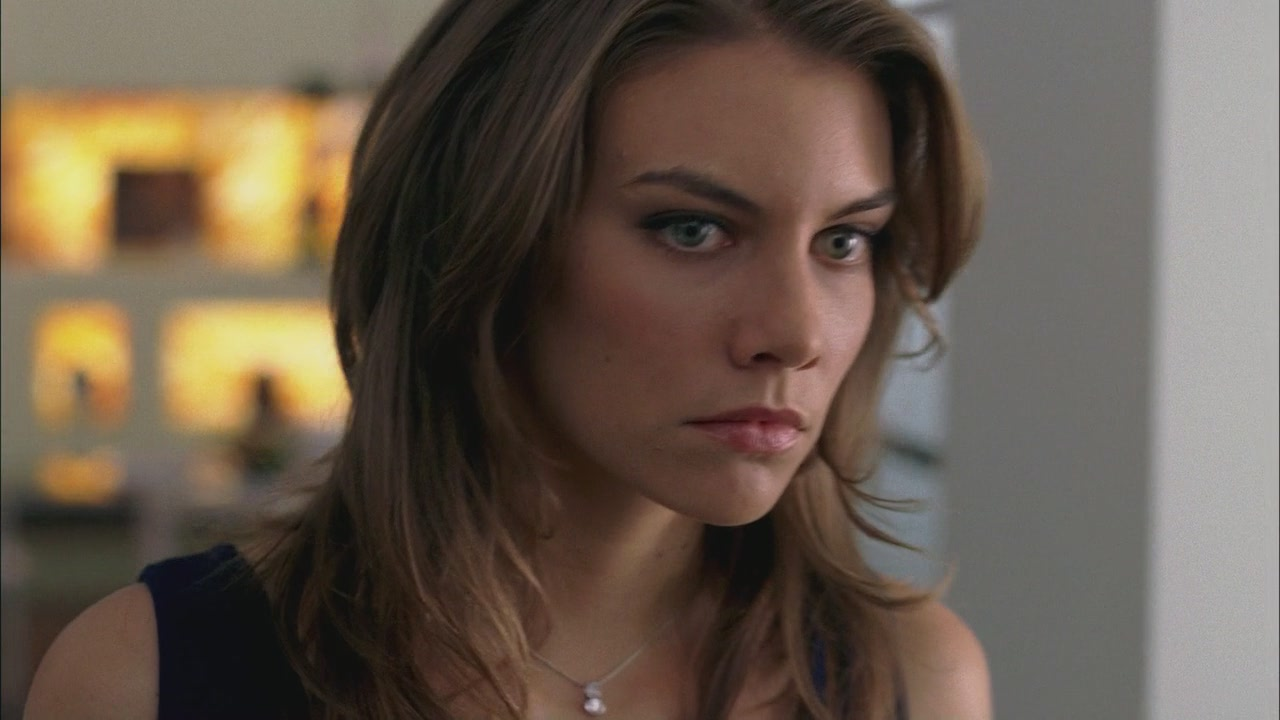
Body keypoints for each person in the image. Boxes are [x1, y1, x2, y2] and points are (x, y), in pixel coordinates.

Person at [24, 0, 988, 717]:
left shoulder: (910, 681)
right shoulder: (145, 681)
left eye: (844, 242)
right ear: (487, 235)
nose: (797, 332)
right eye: (692, 229)